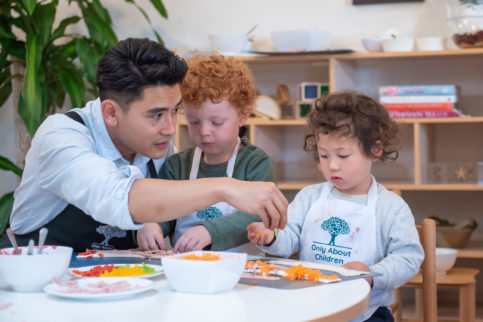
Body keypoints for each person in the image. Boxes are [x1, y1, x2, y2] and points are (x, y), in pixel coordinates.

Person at [0, 38, 287, 252]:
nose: (171, 128)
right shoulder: (61, 136)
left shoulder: (159, 147)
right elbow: (116, 197)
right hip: (33, 280)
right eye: (156, 115)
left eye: (175, 110)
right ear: (111, 113)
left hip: (115, 284)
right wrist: (224, 187)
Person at [247, 91, 423, 322]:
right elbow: (288, 240)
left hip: (367, 311)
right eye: (324, 155)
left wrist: (372, 274)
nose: (332, 166)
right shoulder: (310, 197)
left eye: (343, 155)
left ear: (375, 151)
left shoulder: (391, 207)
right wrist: (271, 236)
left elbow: (408, 258)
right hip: (313, 303)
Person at [137, 54, 275, 253]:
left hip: (243, 273)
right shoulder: (178, 166)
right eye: (194, 122)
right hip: (187, 268)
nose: (204, 131)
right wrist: (150, 225)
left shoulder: (256, 163)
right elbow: (162, 208)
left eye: (217, 122)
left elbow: (258, 216)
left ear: (243, 116)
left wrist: (209, 231)